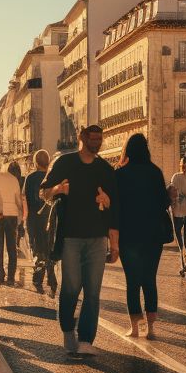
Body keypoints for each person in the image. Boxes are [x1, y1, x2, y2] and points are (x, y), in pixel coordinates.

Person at [41, 125, 119, 356]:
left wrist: (108, 202)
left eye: (99, 139)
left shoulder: (105, 168)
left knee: (93, 291)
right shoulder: (64, 163)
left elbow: (115, 208)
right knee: (71, 287)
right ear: (81, 138)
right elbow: (42, 193)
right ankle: (67, 330)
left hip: (97, 237)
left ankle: (86, 340)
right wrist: (59, 189)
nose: (97, 143)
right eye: (93, 139)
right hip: (70, 236)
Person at [115, 134, 172, 339]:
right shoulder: (155, 172)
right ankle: (152, 328)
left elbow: (115, 206)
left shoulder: (120, 174)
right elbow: (164, 202)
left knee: (132, 281)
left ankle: (135, 328)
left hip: (128, 234)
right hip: (152, 234)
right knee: (149, 279)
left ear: (127, 150)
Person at [23, 150, 57, 295]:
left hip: (34, 218)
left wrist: (25, 218)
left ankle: (38, 278)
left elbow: (25, 198)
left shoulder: (30, 178)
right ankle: (51, 277)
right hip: (50, 217)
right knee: (49, 247)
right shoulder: (52, 176)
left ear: (36, 162)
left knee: (37, 248)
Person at [0, 159, 27, 287]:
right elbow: (18, 201)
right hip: (12, 215)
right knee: (11, 248)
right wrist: (20, 218)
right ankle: (11, 277)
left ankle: (0, 275)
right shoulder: (14, 180)